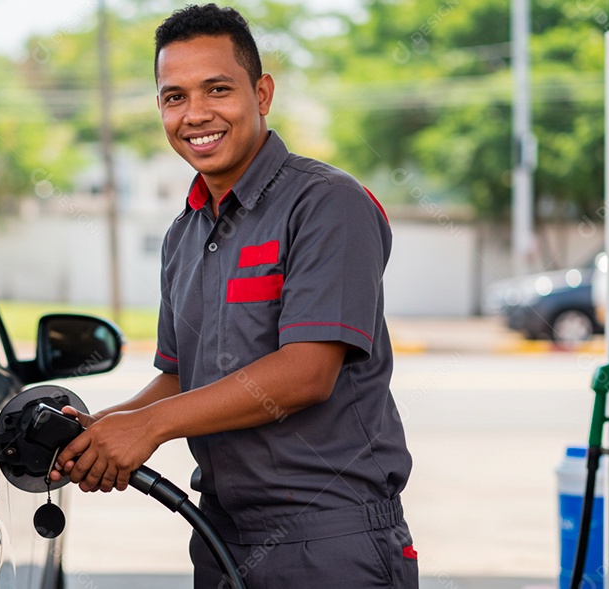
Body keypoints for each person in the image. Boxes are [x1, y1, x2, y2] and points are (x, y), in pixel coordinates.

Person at [51, 4, 417, 587]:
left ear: (262, 93)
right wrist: (98, 430)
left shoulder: (326, 204)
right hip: (220, 535)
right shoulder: (184, 233)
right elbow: (179, 378)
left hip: (329, 542)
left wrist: (147, 429)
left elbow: (306, 373)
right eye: (175, 97)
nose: (196, 115)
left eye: (217, 89)